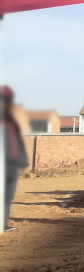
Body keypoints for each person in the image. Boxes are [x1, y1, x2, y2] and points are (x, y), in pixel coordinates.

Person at [2, 86, 29, 227]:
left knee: (7, 195)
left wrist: (22, 159)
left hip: (11, 165)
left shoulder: (11, 122)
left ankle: (3, 223)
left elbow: (17, 141)